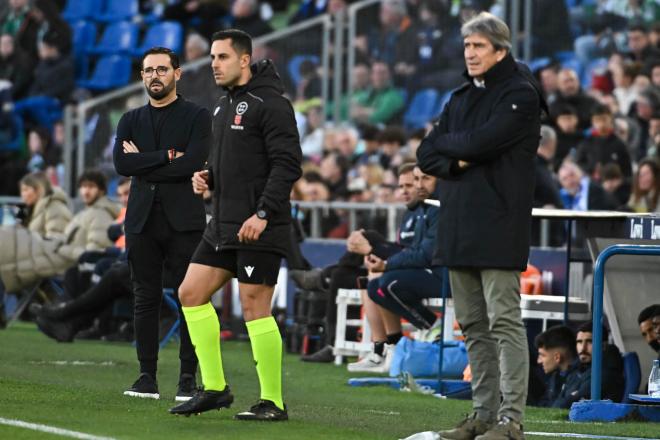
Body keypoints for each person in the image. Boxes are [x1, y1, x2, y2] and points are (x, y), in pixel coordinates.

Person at [416, 12, 546, 440]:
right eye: (467, 46)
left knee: (504, 323)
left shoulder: (522, 95)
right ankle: (482, 414)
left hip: (498, 222)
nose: (469, 54)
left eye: (478, 47)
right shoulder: (461, 95)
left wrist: (452, 147)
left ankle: (511, 420)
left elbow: (483, 142)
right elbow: (426, 153)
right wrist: (457, 156)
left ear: (500, 50)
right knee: (472, 324)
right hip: (458, 223)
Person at [168, 29, 302, 420]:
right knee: (190, 292)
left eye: (222, 57)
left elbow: (287, 165)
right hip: (223, 224)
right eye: (212, 57)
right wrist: (206, 176)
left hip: (258, 224)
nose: (214, 64)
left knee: (254, 307)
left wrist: (262, 214)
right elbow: (229, 161)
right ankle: (213, 388)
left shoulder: (272, 104)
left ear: (244, 60)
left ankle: (272, 402)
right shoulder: (223, 105)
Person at [113, 46, 212, 401]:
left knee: (192, 299)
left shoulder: (197, 116)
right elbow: (121, 166)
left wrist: (143, 161)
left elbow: (194, 163)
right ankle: (146, 376)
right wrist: (167, 157)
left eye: (161, 69)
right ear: (141, 76)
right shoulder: (130, 119)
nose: (154, 76)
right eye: (148, 70)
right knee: (145, 297)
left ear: (177, 73)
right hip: (140, 220)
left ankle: (187, 378)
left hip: (185, 219)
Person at [349, 166, 442, 373]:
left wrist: (380, 255)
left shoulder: (437, 209)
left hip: (443, 274)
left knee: (387, 282)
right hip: (425, 270)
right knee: (375, 286)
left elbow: (423, 254)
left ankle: (430, 326)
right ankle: (389, 349)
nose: (414, 187)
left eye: (421, 180)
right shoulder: (418, 212)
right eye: (407, 184)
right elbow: (411, 251)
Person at [553, 322, 625, 408]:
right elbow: (558, 401)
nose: (583, 348)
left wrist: (571, 397)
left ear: (603, 346)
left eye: (589, 342)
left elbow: (570, 404)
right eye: (579, 342)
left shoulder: (606, 373)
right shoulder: (577, 369)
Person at [533, 325, 578, 408]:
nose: (538, 361)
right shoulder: (555, 377)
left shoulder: (579, 377)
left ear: (557, 357)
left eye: (542, 355)